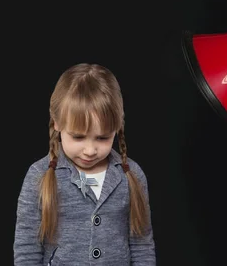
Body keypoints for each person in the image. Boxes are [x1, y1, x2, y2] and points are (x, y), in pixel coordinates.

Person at [13, 63, 156, 265]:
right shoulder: (38, 175)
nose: (90, 150)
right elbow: (27, 249)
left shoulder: (131, 175)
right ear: (57, 122)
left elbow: (142, 247)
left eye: (102, 138)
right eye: (78, 137)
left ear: (117, 128)